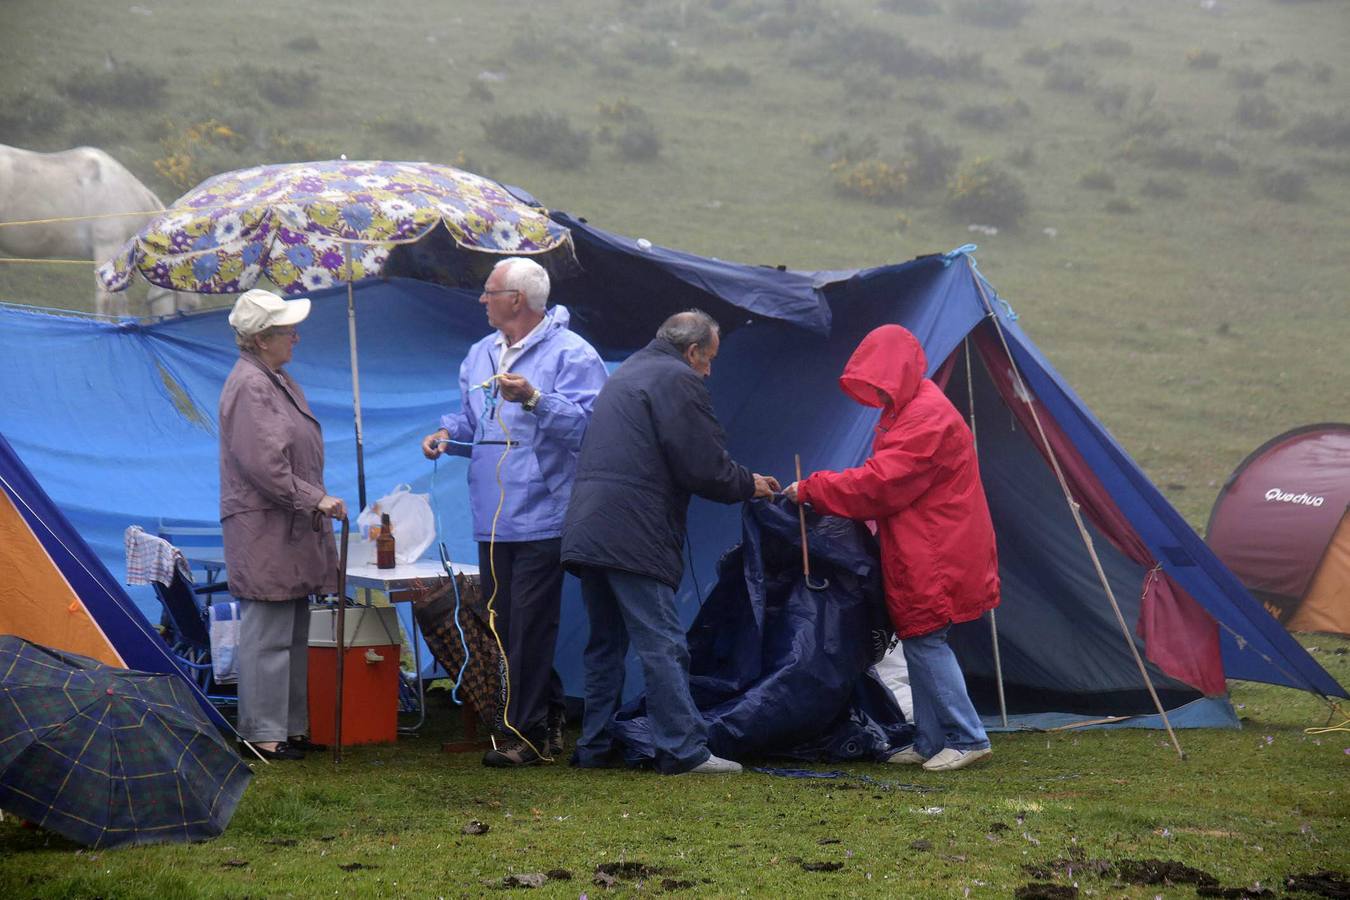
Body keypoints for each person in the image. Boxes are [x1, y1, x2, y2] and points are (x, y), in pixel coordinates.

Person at [562, 310, 780, 775]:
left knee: (605, 643)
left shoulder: (628, 372)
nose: (709, 371)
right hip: (633, 530)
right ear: (693, 351)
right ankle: (683, 751)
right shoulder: (677, 379)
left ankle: (593, 747)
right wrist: (749, 484)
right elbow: (700, 463)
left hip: (589, 526)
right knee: (662, 643)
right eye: (709, 360)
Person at [784, 324, 999, 773]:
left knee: (926, 639)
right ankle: (929, 739)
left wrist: (813, 489)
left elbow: (882, 483)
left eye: (879, 384)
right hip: (926, 541)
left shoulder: (925, 419)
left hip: (936, 547)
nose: (876, 396)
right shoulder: (908, 410)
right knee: (921, 636)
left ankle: (966, 736)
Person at [421, 257, 608, 768]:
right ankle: (547, 713)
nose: (481, 300)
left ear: (516, 300)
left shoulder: (574, 354)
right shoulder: (480, 353)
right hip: (493, 514)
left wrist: (535, 399)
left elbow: (590, 430)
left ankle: (519, 736)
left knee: (530, 623)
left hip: (546, 512)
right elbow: (470, 418)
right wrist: (446, 435)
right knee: (503, 623)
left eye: (489, 292)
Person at [219, 289, 346, 762]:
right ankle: (261, 732)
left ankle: (288, 728)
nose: (296, 336)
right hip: (267, 526)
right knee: (268, 633)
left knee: (291, 630)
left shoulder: (276, 379)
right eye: (286, 330)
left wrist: (312, 500)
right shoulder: (251, 385)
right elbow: (264, 466)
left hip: (287, 526)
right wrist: (318, 498)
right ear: (260, 338)